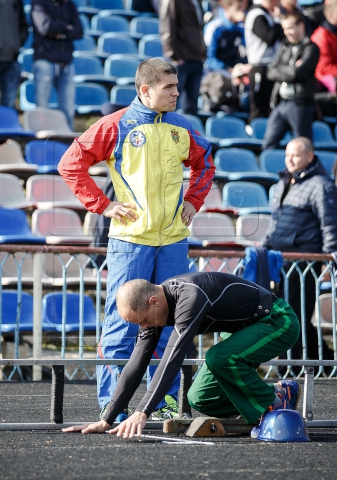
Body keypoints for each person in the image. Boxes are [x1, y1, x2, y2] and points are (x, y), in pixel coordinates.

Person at [58, 59, 215, 421]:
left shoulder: (181, 125)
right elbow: (70, 164)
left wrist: (193, 201)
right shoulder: (116, 125)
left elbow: (205, 162)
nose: (177, 92)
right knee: (122, 322)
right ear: (145, 90)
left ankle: (163, 404)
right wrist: (102, 205)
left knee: (173, 325)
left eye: (176, 86)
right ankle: (111, 405)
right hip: (131, 240)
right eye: (168, 87)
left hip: (174, 240)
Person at [62, 273, 301, 436]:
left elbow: (171, 358)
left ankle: (272, 407)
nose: (144, 327)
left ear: (153, 301)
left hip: (277, 320)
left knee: (220, 357)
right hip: (245, 330)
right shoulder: (154, 309)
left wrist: (141, 412)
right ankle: (278, 394)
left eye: (144, 321)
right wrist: (108, 418)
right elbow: (137, 362)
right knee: (199, 397)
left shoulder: (190, 297)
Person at [263, 137, 337, 364]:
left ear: (309, 156)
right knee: (286, 315)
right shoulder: (281, 183)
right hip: (280, 262)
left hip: (304, 263)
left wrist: (327, 260)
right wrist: (263, 247)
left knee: (296, 316)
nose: (290, 160)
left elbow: (330, 225)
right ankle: (322, 361)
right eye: (287, 155)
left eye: (295, 155)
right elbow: (274, 224)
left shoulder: (321, 185)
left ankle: (294, 365)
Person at [261, 10, 319, 151]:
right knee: (268, 145)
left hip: (300, 104)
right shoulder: (284, 45)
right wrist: (290, 70)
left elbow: (298, 72)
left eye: (290, 28)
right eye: (284, 29)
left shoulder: (311, 47)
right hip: (280, 103)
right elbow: (270, 71)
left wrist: (284, 69)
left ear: (301, 26)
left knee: (303, 146)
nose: (286, 32)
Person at [31, 0, 82, 128]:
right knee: (42, 109)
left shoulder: (69, 4)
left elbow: (79, 31)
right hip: (45, 61)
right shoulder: (39, 3)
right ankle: (40, 142)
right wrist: (66, 27)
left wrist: (59, 32)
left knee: (68, 111)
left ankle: (68, 146)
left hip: (66, 63)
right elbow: (45, 27)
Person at [159, 0, 207, 115]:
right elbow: (167, 26)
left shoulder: (197, 2)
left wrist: (202, 54)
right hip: (181, 59)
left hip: (196, 58)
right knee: (169, 102)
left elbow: (198, 29)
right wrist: (174, 56)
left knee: (191, 107)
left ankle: (186, 132)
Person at [244, 0, 284, 121]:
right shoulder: (256, 14)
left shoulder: (266, 14)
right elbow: (269, 38)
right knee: (259, 107)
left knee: (269, 106)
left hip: (271, 66)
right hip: (259, 66)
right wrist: (277, 20)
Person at [203, 0, 247, 72]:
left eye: (242, 8)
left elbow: (250, 48)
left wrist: (246, 22)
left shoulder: (241, 26)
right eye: (238, 7)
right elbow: (209, 59)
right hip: (214, 72)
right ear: (226, 7)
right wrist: (230, 70)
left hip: (232, 66)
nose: (241, 11)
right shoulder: (214, 27)